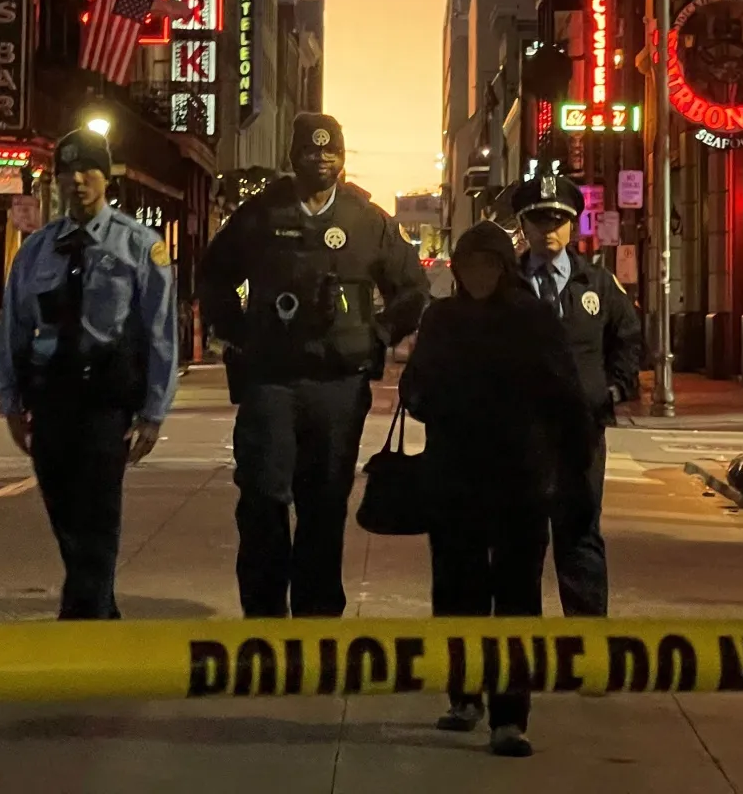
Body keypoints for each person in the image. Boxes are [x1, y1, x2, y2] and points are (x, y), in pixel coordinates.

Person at [199, 113, 429, 618]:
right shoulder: (261, 214)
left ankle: (317, 615)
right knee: (262, 496)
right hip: (271, 381)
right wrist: (238, 333)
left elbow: (413, 288)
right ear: (293, 156)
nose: (321, 158)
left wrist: (378, 335)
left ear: (342, 158)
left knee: (324, 503)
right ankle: (263, 613)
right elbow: (213, 275)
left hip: (338, 385)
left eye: (330, 151)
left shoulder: (366, 221)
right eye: (310, 149)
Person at [402, 220, 589, 759]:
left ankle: (510, 715)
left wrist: (569, 470)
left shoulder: (531, 319)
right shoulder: (443, 319)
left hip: (519, 481)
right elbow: (415, 386)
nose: (478, 274)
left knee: (516, 597)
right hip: (456, 477)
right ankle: (463, 697)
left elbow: (564, 394)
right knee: (457, 590)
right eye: (469, 264)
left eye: (488, 264)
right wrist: (437, 401)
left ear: (504, 268)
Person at [0, 128, 178, 620]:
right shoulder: (36, 251)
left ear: (106, 177)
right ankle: (99, 609)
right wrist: (9, 402)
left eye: (89, 171)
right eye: (68, 173)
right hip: (51, 397)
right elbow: (12, 326)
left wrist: (154, 412)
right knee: (63, 512)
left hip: (105, 400)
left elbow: (161, 334)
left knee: (98, 514)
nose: (78, 182)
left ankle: (84, 620)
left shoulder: (140, 246)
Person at [508, 175, 643, 617]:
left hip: (580, 433)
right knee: (520, 542)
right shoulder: (505, 287)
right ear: (523, 225)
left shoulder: (597, 285)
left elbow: (628, 338)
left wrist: (615, 387)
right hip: (518, 437)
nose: (549, 228)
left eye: (559, 219)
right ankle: (520, 652)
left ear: (573, 227)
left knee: (580, 535)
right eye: (539, 219)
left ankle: (585, 650)